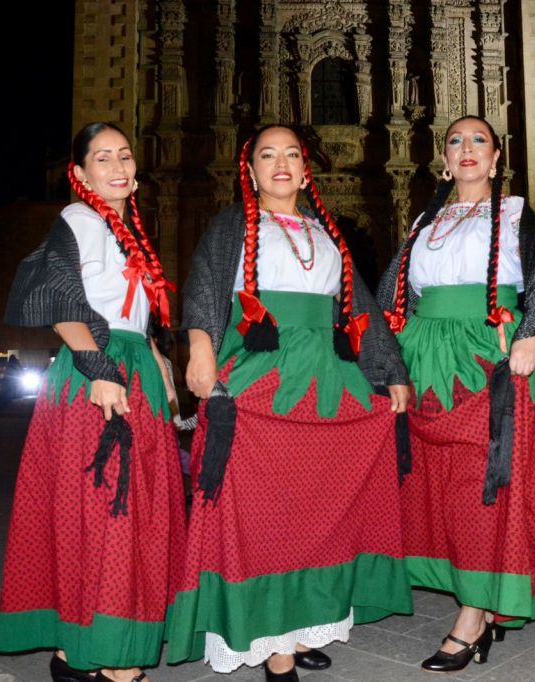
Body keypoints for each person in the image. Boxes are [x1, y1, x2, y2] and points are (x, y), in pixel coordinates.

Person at [166, 125, 413, 681]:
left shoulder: (326, 230)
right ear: (249, 170)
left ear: (307, 170)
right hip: (263, 375)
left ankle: (302, 625)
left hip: (326, 378)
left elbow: (359, 306)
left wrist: (390, 369)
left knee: (315, 508)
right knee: (262, 510)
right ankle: (274, 644)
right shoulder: (233, 224)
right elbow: (203, 286)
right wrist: (200, 352)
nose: (281, 163)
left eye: (292, 154)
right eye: (266, 155)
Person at [0, 122, 185, 682]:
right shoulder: (78, 220)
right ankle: (116, 661)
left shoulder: (128, 228)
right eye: (103, 159)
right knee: (112, 511)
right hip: (95, 371)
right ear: (80, 174)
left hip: (133, 371)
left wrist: (162, 370)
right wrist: (101, 369)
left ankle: (72, 654)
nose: (118, 167)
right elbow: (58, 300)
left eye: (124, 156)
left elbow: (137, 317)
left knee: (127, 512)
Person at [377, 115, 535, 673]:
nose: (467, 148)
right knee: (434, 482)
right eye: (456, 141)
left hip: (487, 356)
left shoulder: (516, 214)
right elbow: (393, 290)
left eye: (479, 139)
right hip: (425, 356)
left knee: (483, 484)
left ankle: (474, 615)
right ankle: (473, 596)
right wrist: (385, 356)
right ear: (445, 161)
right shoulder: (423, 221)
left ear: (497, 157)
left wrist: (529, 333)